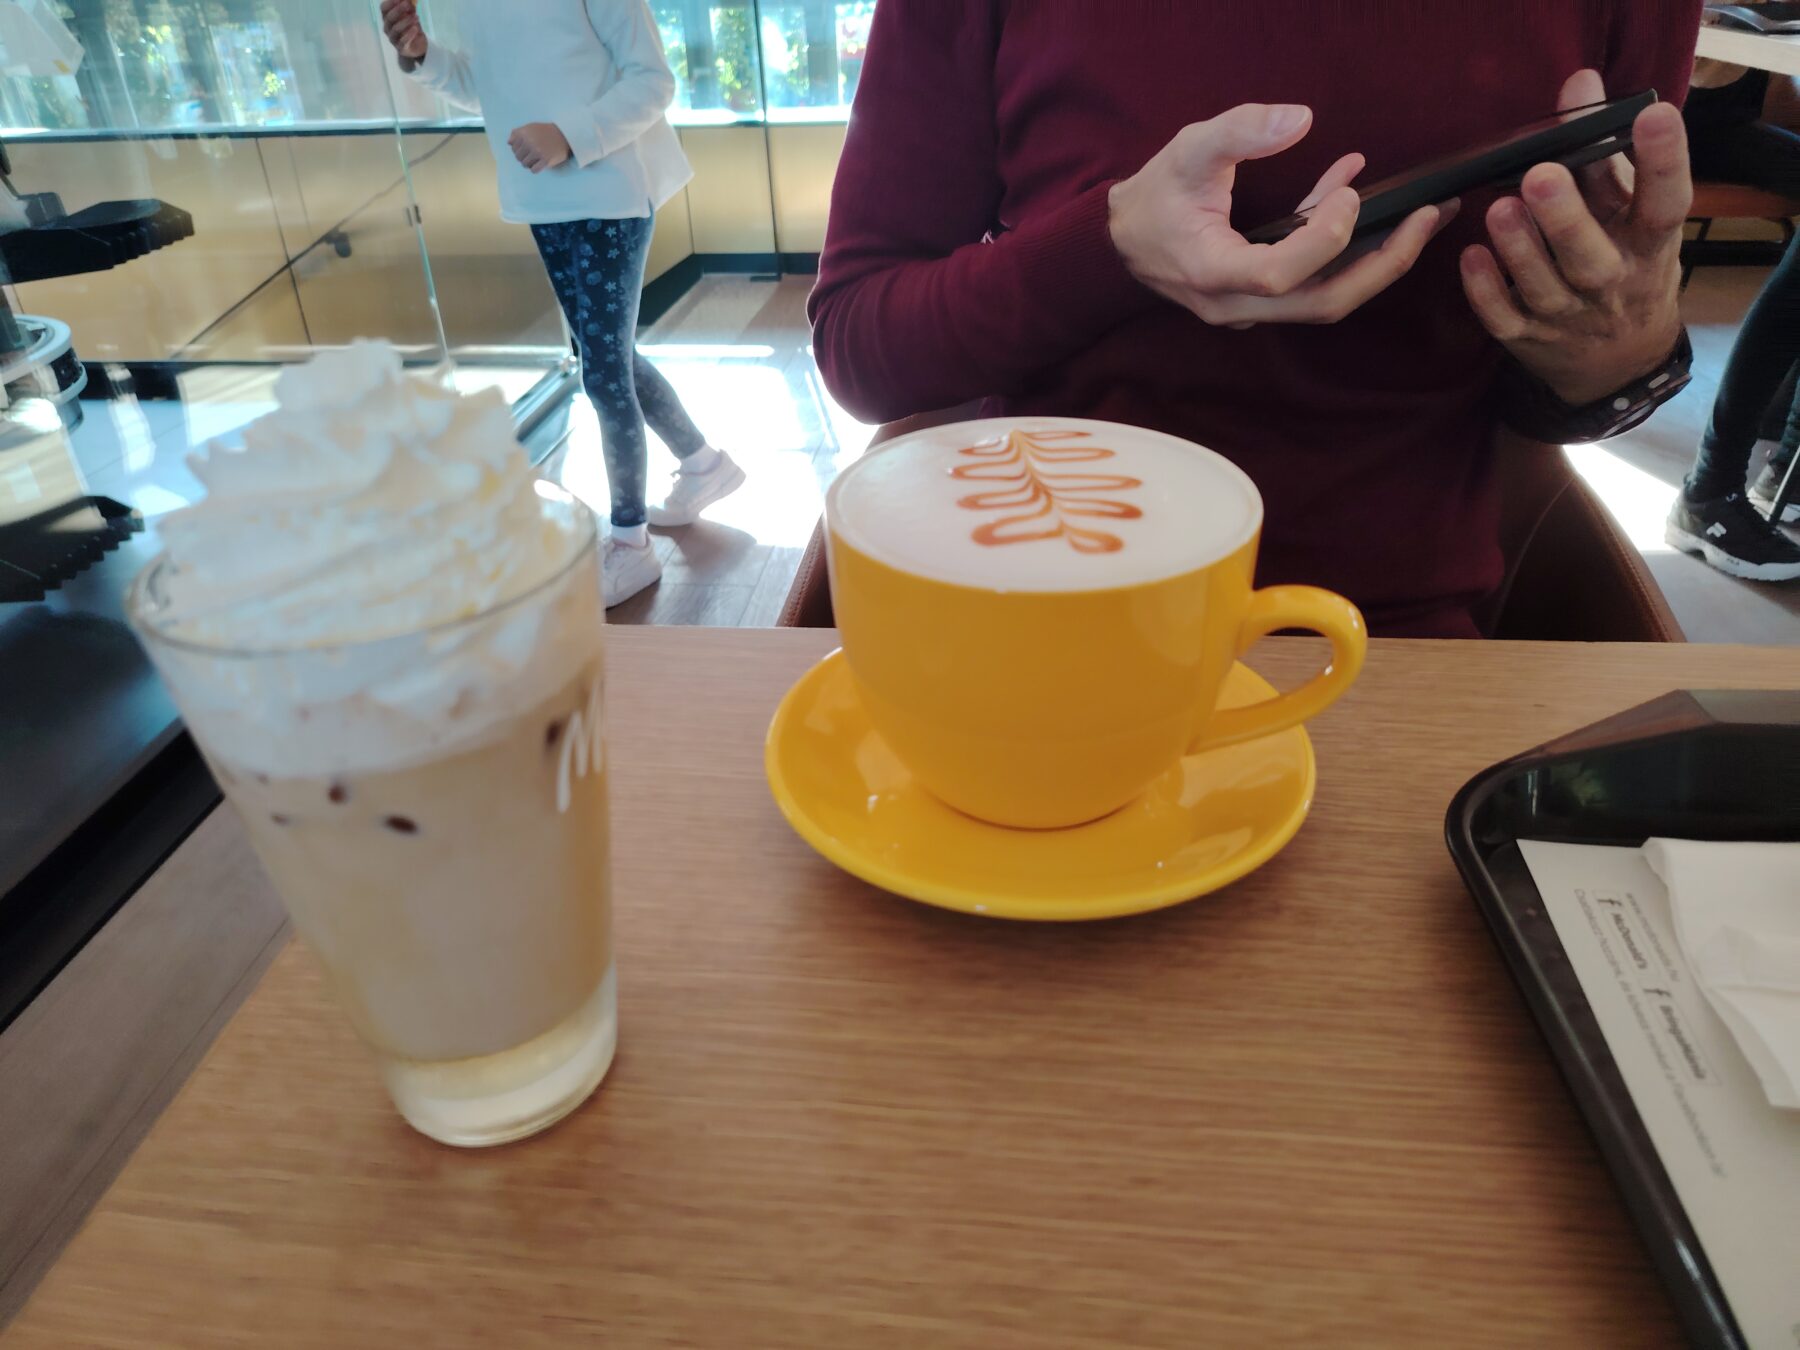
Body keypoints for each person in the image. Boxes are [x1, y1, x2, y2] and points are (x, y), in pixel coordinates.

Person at [810, 2, 1703, 637]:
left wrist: (1623, 355)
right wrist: (1112, 244)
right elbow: (859, 342)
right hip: (1042, 604)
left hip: (1397, 639)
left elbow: (1541, 386)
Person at [380, 0, 746, 608]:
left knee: (602, 371)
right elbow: (488, 85)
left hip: (610, 191)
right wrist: (423, 57)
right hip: (542, 196)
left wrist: (568, 137)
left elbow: (654, 81)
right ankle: (704, 464)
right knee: (608, 358)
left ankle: (630, 542)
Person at [1664, 58, 1800, 581]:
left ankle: (1784, 470)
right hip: (1673, 124)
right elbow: (1699, 70)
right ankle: (1711, 492)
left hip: (1730, 124)